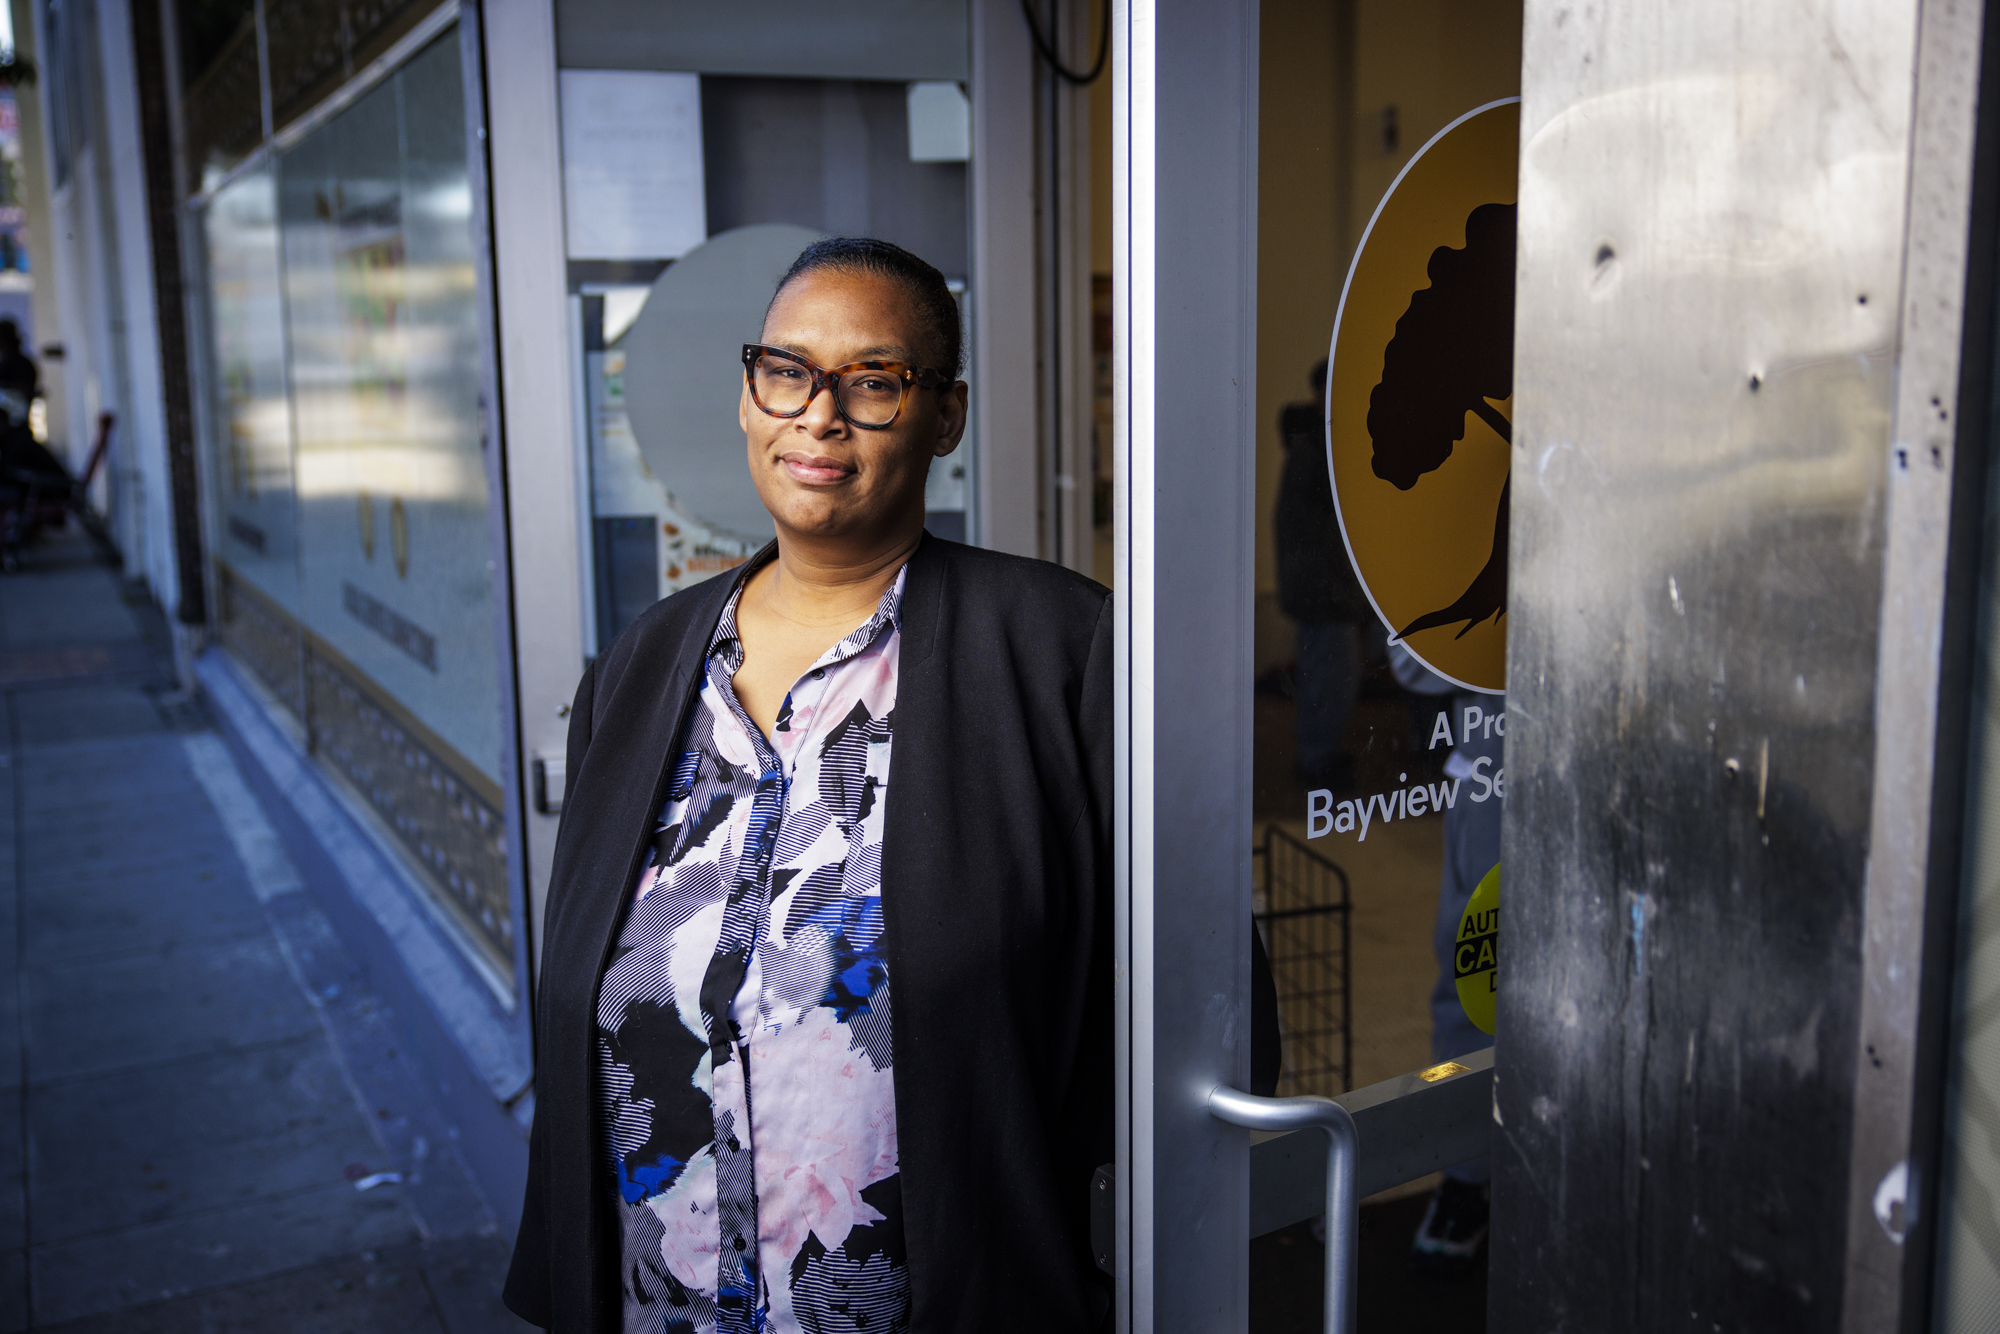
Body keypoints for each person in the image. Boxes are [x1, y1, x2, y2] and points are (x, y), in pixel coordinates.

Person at [504, 238, 1115, 1333]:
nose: (819, 415)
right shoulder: (641, 669)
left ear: (944, 417)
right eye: (787, 371)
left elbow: (1187, 1016)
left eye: (873, 381)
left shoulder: (1063, 652)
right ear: (750, 398)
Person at [1391, 643, 1501, 1275]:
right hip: (1495, 772)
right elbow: (1411, 658)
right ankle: (1467, 1173)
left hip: (1597, 757)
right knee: (1475, 973)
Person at [1273, 359, 1375, 789]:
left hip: (1324, 587)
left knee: (1331, 675)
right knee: (1329, 677)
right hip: (1325, 590)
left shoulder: (1314, 443)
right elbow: (1327, 530)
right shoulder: (1322, 447)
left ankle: (1320, 757)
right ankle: (1317, 763)